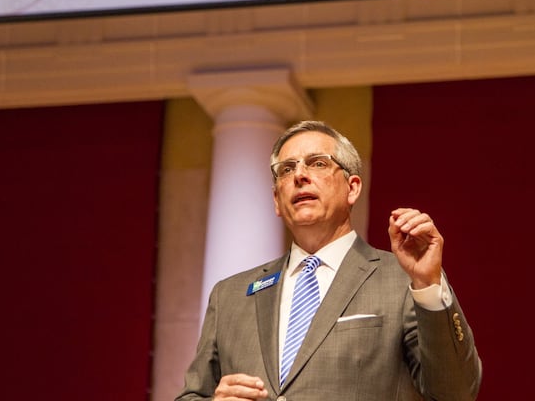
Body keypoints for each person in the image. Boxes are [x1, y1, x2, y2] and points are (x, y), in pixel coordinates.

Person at [176, 120, 482, 400]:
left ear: (352, 188)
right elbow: (191, 395)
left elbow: (456, 392)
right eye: (286, 169)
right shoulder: (229, 295)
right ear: (276, 201)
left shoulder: (402, 280)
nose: (299, 175)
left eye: (318, 163)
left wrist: (428, 285)